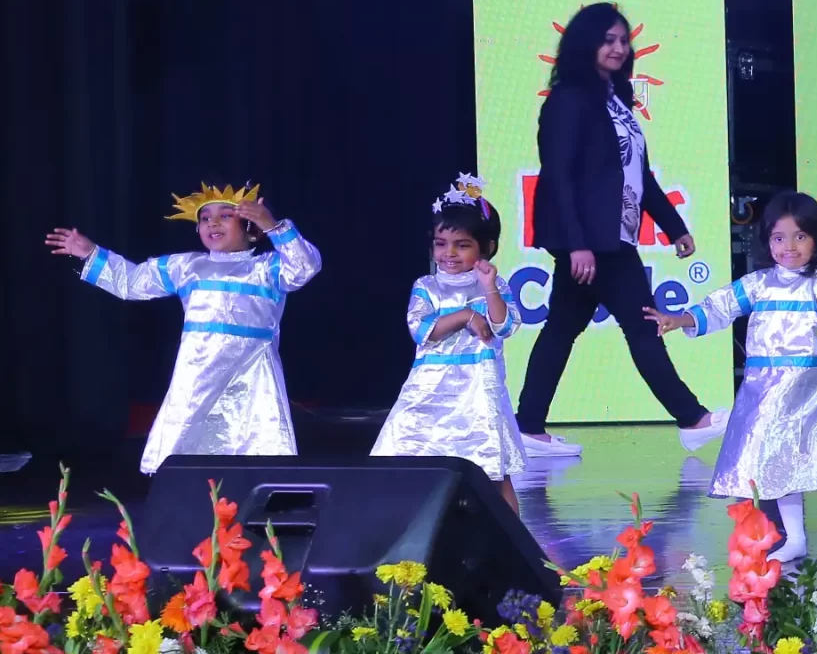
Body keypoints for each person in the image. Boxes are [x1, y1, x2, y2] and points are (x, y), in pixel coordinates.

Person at [515, 2, 723, 458]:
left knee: (562, 328)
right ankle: (692, 418)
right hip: (593, 241)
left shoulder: (616, 98)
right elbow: (559, 175)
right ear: (585, 43)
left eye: (624, 40)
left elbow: (637, 175)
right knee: (642, 324)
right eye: (608, 40)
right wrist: (577, 245)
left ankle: (528, 426)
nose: (618, 48)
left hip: (613, 235)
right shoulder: (569, 99)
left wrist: (674, 226)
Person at [649, 193, 817, 561]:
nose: (789, 247)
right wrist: (680, 319)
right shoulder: (758, 284)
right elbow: (718, 307)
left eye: (800, 237)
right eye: (779, 238)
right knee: (781, 467)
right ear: (767, 241)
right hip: (769, 394)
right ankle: (794, 538)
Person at [47, 184, 321, 473]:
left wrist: (274, 226)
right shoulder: (187, 266)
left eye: (225, 215)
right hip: (198, 372)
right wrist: (90, 252)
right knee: (186, 437)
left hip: (252, 371)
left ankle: (255, 487)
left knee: (256, 438)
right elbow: (133, 281)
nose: (213, 223)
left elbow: (305, 267)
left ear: (251, 227)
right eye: (205, 218)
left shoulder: (267, 268)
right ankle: (180, 486)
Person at [372, 175, 529, 507]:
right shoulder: (427, 286)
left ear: (486, 247)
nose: (450, 253)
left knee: (495, 474)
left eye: (462, 244)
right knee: (413, 463)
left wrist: (488, 287)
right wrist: (465, 316)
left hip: (478, 394)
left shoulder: (494, 285)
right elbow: (422, 330)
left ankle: (512, 538)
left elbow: (504, 326)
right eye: (441, 243)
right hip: (429, 392)